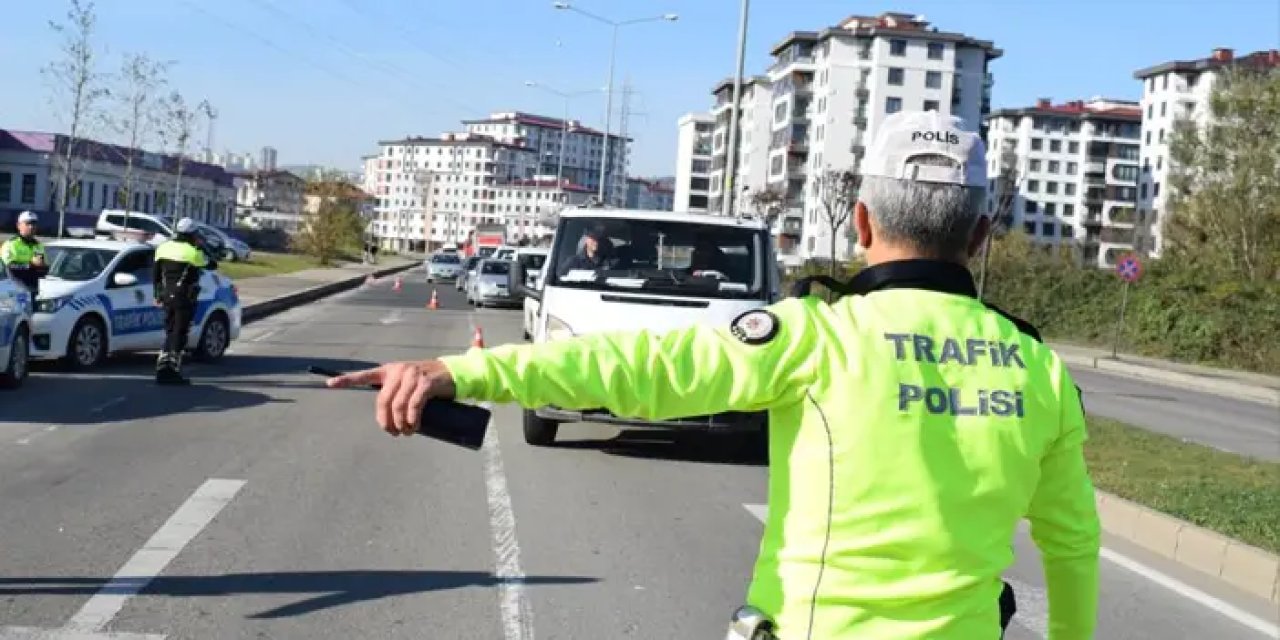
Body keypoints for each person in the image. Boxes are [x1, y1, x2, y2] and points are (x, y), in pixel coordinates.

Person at [327, 110, 1101, 639]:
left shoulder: (814, 338)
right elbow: (1071, 547)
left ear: (861, 223)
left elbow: (638, 364)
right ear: (981, 233)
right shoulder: (1040, 370)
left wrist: (464, 372)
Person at [152, 217, 217, 385]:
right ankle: (172, 370)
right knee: (180, 333)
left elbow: (156, 275)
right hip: (185, 297)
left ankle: (162, 367)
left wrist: (157, 295)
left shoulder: (163, 248)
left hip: (167, 295)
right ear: (191, 234)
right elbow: (212, 264)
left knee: (170, 330)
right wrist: (202, 246)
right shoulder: (193, 252)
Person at [1, 211, 48, 299]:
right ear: (18, 225)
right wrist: (31, 265)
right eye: (28, 223)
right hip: (13, 291)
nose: (31, 227)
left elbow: (44, 269)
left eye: (34, 224)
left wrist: (42, 266)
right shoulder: (10, 244)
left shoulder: (38, 245)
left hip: (35, 290)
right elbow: (11, 267)